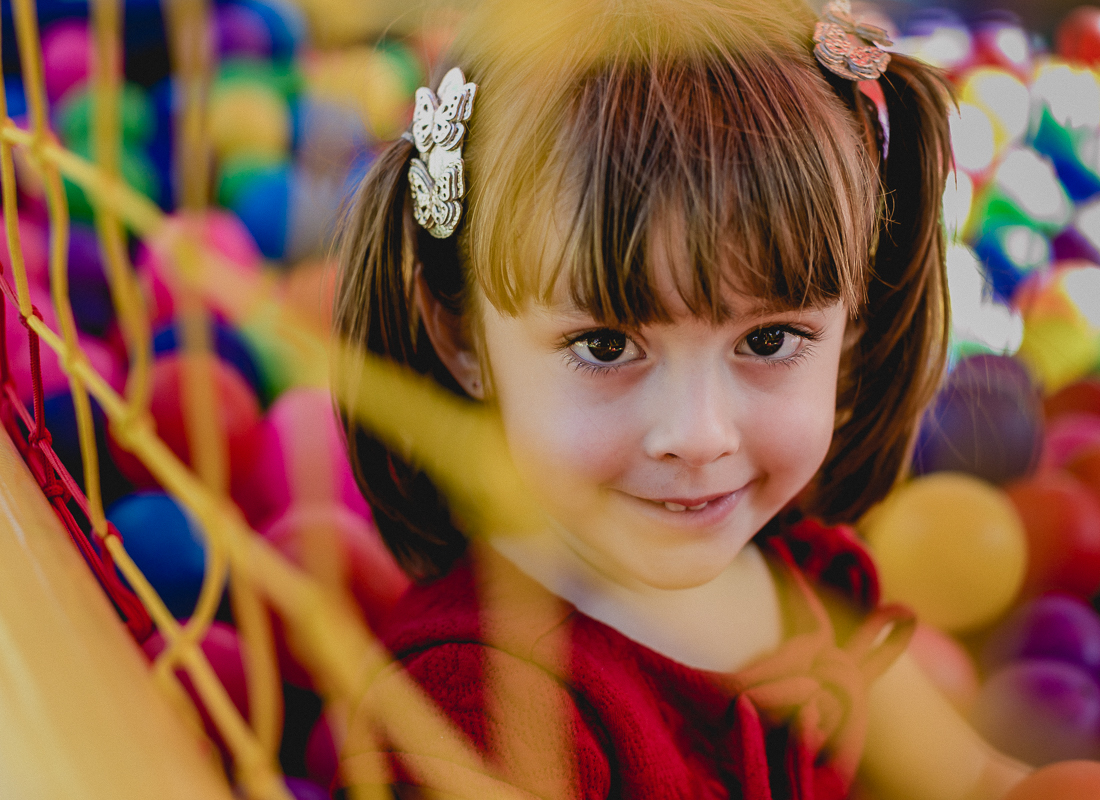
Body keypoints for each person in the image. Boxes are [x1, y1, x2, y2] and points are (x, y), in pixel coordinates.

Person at [331, 0, 1033, 797]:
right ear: (463, 340)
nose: (698, 436)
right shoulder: (483, 715)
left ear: (854, 326)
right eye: (604, 345)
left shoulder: (799, 577)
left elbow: (976, 779)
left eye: (768, 341)